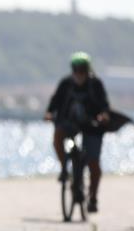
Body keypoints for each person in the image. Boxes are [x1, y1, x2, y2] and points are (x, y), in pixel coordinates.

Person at [44, 51, 110, 213]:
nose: (79, 73)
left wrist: (103, 115)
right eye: (76, 69)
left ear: (88, 69)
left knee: (93, 162)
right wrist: (49, 112)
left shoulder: (96, 84)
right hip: (70, 123)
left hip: (92, 126)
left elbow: (104, 105)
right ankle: (65, 169)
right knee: (58, 136)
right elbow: (55, 101)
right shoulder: (66, 83)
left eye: (82, 69)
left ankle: (93, 197)